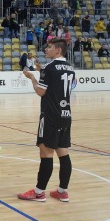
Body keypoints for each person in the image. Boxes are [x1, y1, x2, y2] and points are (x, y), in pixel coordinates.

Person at [18, 39, 75, 202]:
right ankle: (62, 191)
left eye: (49, 47)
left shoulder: (50, 68)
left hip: (50, 115)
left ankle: (38, 192)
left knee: (46, 153)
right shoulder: (71, 69)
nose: (45, 49)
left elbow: (41, 92)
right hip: (66, 115)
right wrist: (42, 71)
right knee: (63, 153)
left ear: (58, 50)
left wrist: (32, 78)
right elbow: (61, 83)